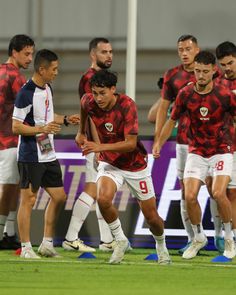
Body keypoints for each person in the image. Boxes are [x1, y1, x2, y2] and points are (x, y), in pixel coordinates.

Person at [77, 69, 171, 264]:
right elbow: (84, 108)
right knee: (102, 199)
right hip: (109, 162)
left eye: (102, 93)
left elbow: (130, 144)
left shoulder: (127, 105)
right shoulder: (89, 101)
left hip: (134, 165)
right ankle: (120, 239)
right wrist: (81, 133)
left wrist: (99, 146)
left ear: (113, 89)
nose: (98, 98)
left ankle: (161, 245)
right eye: (95, 93)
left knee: (152, 217)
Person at [153, 51, 236, 259]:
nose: (200, 75)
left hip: (221, 150)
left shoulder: (225, 94)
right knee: (189, 195)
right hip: (197, 151)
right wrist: (158, 144)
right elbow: (172, 120)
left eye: (205, 72)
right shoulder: (185, 94)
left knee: (218, 193)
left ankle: (229, 238)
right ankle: (198, 237)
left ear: (213, 72)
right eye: (197, 71)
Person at [12, 49, 80, 259]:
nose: (56, 73)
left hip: (47, 150)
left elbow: (49, 117)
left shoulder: (47, 88)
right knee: (29, 200)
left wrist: (67, 119)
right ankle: (25, 248)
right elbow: (16, 126)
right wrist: (42, 130)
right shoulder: (26, 93)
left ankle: (46, 244)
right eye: (54, 69)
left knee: (59, 197)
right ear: (42, 69)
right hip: (31, 153)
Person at [63, 37, 117, 252]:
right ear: (93, 55)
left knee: (101, 189)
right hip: (96, 144)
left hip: (99, 143)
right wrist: (96, 144)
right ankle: (70, 237)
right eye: (104, 52)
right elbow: (92, 115)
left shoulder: (98, 77)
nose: (109, 55)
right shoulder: (90, 79)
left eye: (111, 51)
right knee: (92, 188)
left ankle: (106, 240)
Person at [0, 34, 35, 250]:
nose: (30, 58)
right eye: (27, 53)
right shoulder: (14, 77)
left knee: (12, 187)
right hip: (8, 141)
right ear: (14, 52)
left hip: (8, 140)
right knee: (6, 188)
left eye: (31, 54)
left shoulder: (3, 72)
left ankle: (9, 233)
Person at [216, 41, 236, 244]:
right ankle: (230, 236)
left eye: (230, 63)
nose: (227, 68)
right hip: (228, 147)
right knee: (229, 192)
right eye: (223, 64)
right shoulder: (219, 85)